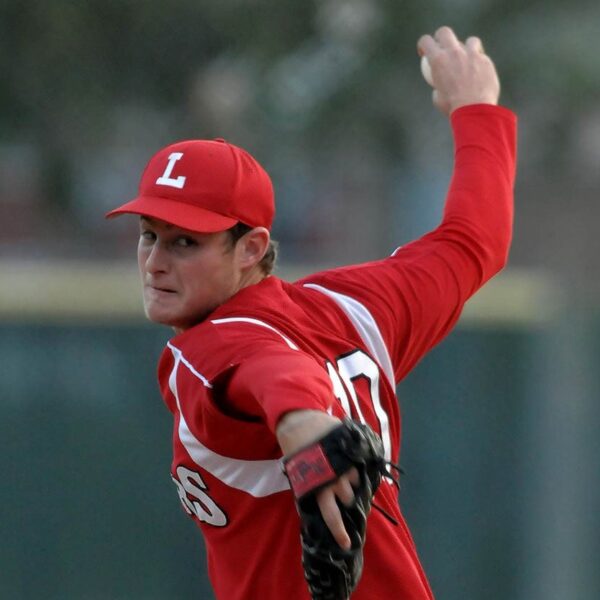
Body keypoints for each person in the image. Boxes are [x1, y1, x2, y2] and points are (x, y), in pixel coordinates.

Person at [107, 26, 516, 600]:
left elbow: (269, 369)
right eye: (149, 235)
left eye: (185, 243)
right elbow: (475, 241)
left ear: (251, 249)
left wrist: (305, 423)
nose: (154, 262)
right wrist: (476, 110)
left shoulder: (204, 350)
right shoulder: (354, 308)